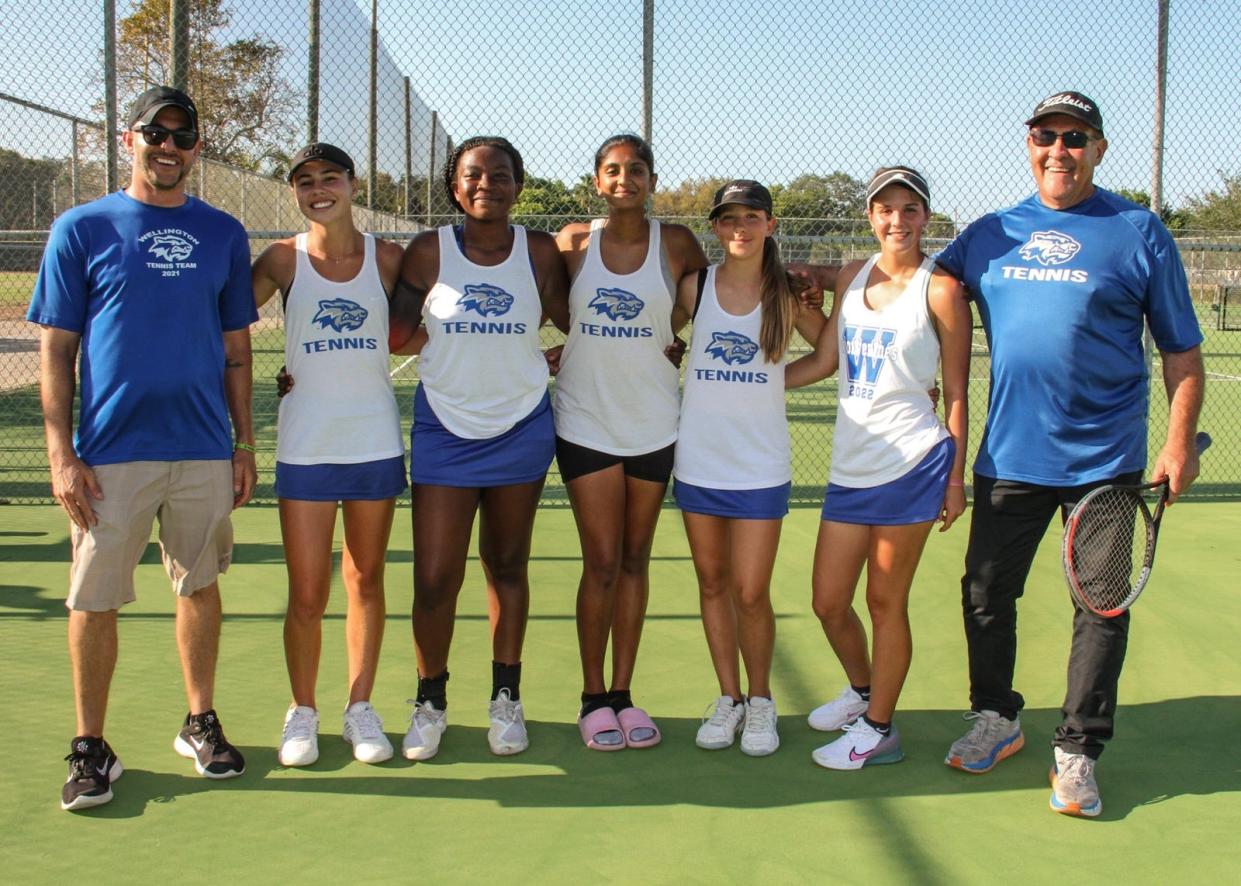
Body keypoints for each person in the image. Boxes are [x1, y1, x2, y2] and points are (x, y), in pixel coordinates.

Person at [936, 92, 1204, 817]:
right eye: (1045, 135)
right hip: (1009, 458)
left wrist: (1177, 443)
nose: (1059, 149)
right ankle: (995, 717)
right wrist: (819, 287)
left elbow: (1181, 352)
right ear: (1027, 144)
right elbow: (924, 285)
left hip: (1105, 464)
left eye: (1075, 137)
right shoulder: (989, 233)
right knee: (986, 597)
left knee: (1099, 607)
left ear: (1098, 148)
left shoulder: (1136, 230)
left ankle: (1077, 751)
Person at [28, 85, 257, 811]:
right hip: (107, 455)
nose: (167, 146)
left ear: (196, 147)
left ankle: (199, 721)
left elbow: (236, 349)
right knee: (94, 600)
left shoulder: (223, 233)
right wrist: (62, 453)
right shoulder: (81, 228)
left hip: (199, 449)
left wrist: (243, 442)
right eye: (153, 133)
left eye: (181, 135)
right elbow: (56, 350)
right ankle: (91, 746)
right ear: (127, 139)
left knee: (198, 584)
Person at [387, 136, 570, 760]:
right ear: (454, 185)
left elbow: (587, 323)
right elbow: (391, 333)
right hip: (445, 427)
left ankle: (506, 699)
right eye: (472, 175)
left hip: (521, 425)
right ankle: (430, 700)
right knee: (436, 577)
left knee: (507, 565)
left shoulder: (539, 252)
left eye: (500, 174)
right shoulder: (426, 251)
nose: (486, 183)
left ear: (519, 185)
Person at [783, 167, 971, 769]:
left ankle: (881, 729)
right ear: (870, 216)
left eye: (910, 209)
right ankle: (864, 693)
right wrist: (748, 385)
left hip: (913, 462)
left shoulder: (940, 289)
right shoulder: (851, 275)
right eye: (885, 209)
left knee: (886, 602)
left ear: (926, 216)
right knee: (829, 601)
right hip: (851, 464)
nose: (898, 220)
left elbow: (960, 391)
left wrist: (955, 476)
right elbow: (828, 360)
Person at [251, 143, 408, 767]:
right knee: (308, 591)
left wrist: (539, 357)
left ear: (352, 183)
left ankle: (360, 707)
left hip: (373, 440)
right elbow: (220, 317)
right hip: (306, 444)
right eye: (305, 181)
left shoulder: (389, 259)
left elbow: (446, 323)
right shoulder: (281, 260)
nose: (319, 190)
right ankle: (303, 712)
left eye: (330, 178)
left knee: (366, 579)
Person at [551, 134, 708, 750]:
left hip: (654, 421)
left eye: (636, 170)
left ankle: (624, 693)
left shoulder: (676, 243)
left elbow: (706, 301)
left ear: (651, 178)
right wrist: (573, 342)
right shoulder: (571, 241)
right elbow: (543, 299)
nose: (625, 180)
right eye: (613, 171)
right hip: (585, 420)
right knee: (602, 560)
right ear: (597, 181)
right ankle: (592, 698)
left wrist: (667, 336)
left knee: (637, 558)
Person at [672, 180, 825, 756]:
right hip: (699, 459)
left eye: (751, 217)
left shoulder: (785, 293)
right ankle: (728, 698)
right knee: (712, 584)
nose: (740, 228)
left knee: (751, 590)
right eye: (729, 218)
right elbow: (660, 339)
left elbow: (830, 351)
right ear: (716, 227)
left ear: (770, 225)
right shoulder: (697, 286)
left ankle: (762, 702)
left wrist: (773, 381)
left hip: (759, 465)